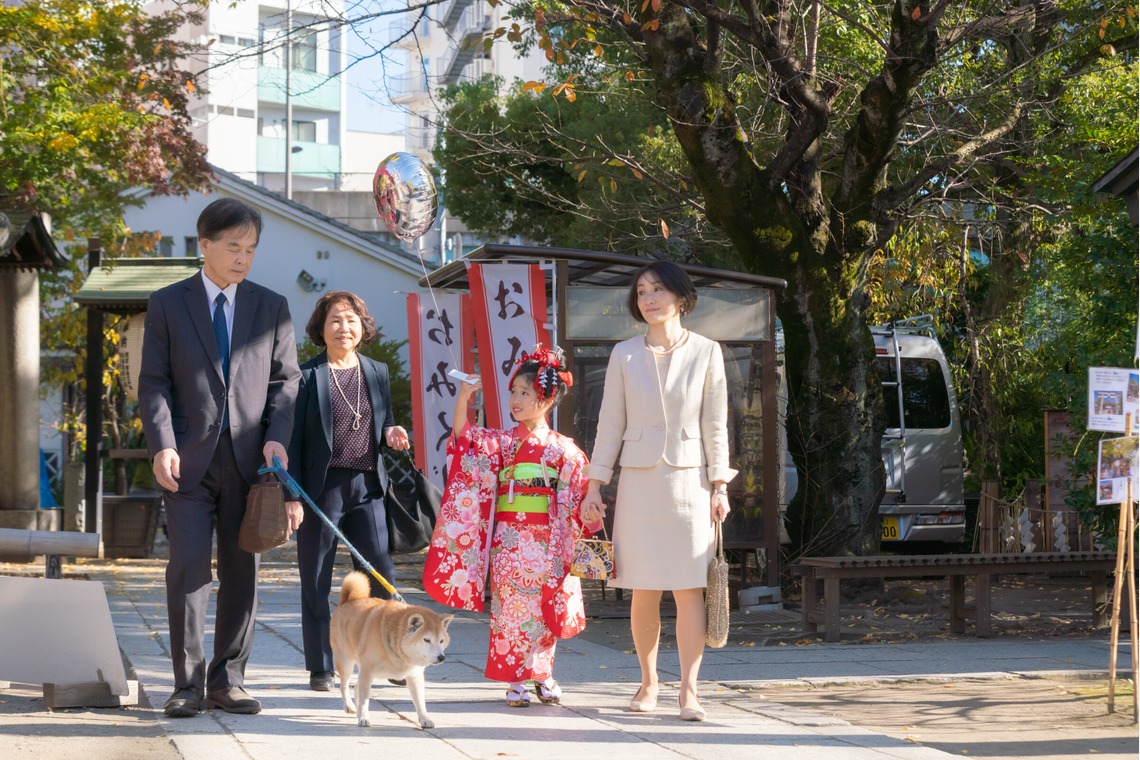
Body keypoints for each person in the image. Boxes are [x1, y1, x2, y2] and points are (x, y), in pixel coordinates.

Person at [139, 197, 303, 718]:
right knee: (187, 566)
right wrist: (162, 442)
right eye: (232, 247)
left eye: (250, 249)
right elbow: (154, 383)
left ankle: (228, 679)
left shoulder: (270, 305)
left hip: (251, 462)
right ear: (204, 244)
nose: (242, 258)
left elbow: (286, 382)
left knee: (243, 568)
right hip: (187, 459)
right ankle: (186, 684)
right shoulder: (168, 303)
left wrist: (277, 437)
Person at [580, 260, 736, 723]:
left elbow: (716, 423)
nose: (648, 299)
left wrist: (720, 485)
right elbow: (610, 422)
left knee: (690, 588)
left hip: (691, 482)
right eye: (642, 292)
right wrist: (595, 484)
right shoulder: (624, 354)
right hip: (639, 482)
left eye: (658, 290)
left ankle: (689, 690)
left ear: (681, 298)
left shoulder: (708, 351)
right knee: (643, 588)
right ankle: (648, 683)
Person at [422, 347, 590, 707]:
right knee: (510, 614)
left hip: (549, 542)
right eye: (513, 392)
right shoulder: (501, 443)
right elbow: (465, 439)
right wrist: (464, 398)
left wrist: (586, 512)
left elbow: (576, 499)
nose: (515, 400)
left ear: (546, 398)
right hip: (510, 542)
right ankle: (514, 681)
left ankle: (543, 675)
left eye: (525, 393)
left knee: (545, 613)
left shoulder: (565, 451)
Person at [286, 291, 411, 692]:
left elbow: (385, 419)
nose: (344, 327)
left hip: (368, 487)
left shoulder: (377, 371)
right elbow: (292, 442)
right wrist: (292, 495)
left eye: (352, 320)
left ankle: (392, 656)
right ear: (321, 329)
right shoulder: (307, 375)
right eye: (335, 320)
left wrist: (391, 431)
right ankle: (321, 666)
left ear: (363, 327)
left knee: (383, 575)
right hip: (320, 490)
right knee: (317, 579)